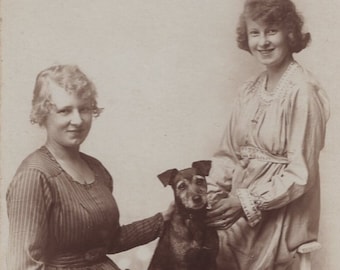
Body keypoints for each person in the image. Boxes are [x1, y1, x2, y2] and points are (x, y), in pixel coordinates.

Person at [6, 65, 174, 270]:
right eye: (65, 110)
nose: (77, 120)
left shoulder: (96, 168)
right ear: (43, 114)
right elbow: (22, 266)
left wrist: (164, 219)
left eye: (84, 108)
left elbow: (110, 241)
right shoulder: (34, 175)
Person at [205, 0, 330, 269]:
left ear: (291, 34)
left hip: (282, 215)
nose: (263, 42)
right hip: (239, 209)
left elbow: (300, 175)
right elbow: (228, 154)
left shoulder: (303, 91)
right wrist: (213, 197)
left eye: (271, 31)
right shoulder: (248, 91)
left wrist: (246, 201)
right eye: (255, 33)